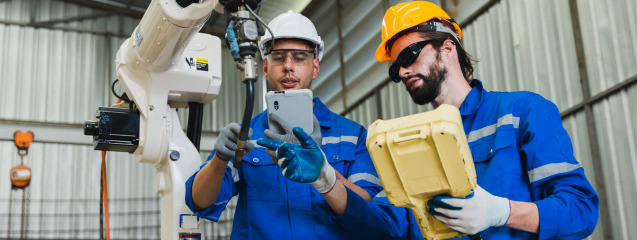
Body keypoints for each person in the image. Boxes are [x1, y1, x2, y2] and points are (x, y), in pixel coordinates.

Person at [263, 2, 600, 239]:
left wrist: (502, 212)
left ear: (448, 48)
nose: (404, 71)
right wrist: (327, 179)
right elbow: (387, 226)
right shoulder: (404, 142)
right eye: (396, 68)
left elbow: (581, 210)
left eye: (410, 55)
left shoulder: (520, 112)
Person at [184, 10, 382, 239]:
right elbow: (199, 202)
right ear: (266, 68)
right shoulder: (247, 135)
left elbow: (369, 209)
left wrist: (325, 174)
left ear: (315, 67)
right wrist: (219, 160)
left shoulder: (352, 135)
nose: (289, 66)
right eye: (278, 58)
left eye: (299, 58)